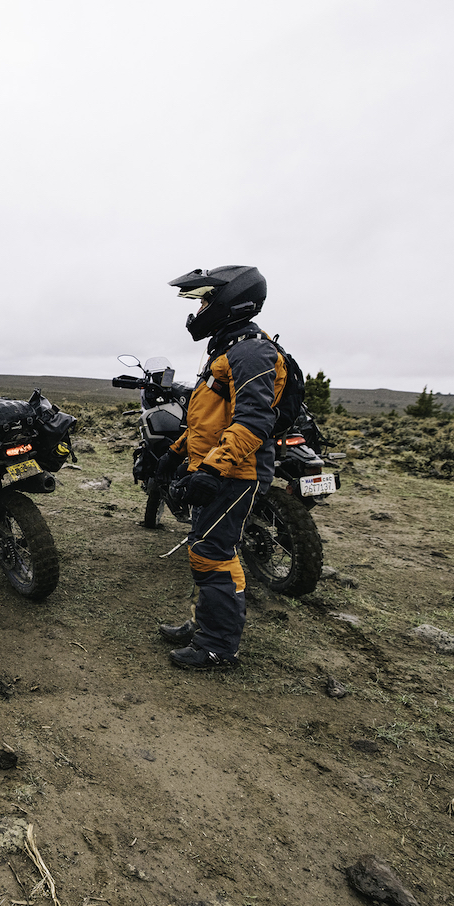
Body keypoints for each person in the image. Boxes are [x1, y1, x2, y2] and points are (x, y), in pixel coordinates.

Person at [156, 265, 290, 670]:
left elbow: (253, 421)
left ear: (231, 301)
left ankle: (218, 646)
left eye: (206, 299)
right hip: (217, 466)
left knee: (214, 554)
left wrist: (212, 471)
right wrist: (176, 453)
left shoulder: (251, 351)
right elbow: (209, 419)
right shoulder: (230, 348)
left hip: (235, 473)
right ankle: (203, 624)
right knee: (205, 549)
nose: (201, 308)